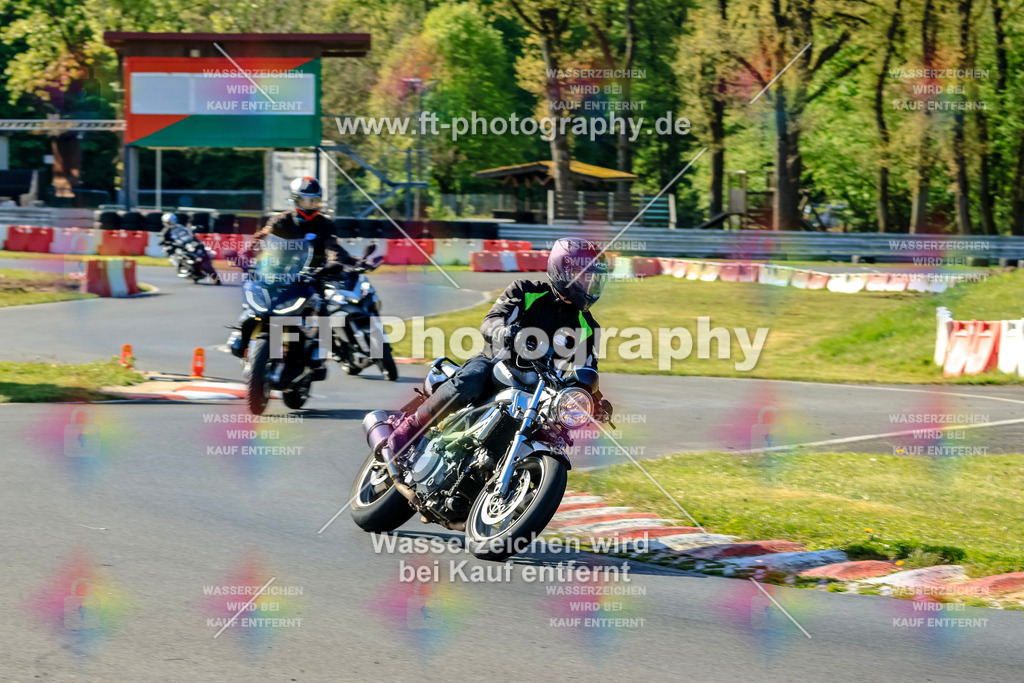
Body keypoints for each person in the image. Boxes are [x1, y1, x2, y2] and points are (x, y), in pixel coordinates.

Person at [388, 238, 615, 455]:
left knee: (553, 428)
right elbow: (491, 320)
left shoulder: (588, 326)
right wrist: (505, 332)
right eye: (584, 277)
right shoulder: (526, 291)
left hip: (539, 388)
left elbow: (586, 371)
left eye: (593, 280)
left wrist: (593, 400)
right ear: (562, 271)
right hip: (498, 363)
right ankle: (412, 427)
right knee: (472, 378)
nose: (589, 284)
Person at [250, 176, 356, 270]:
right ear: (295, 200)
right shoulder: (281, 220)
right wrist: (246, 253)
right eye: (304, 201)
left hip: (313, 276)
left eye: (313, 201)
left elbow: (331, 246)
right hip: (281, 272)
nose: (309, 205)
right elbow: (264, 235)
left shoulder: (326, 223)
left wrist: (333, 261)